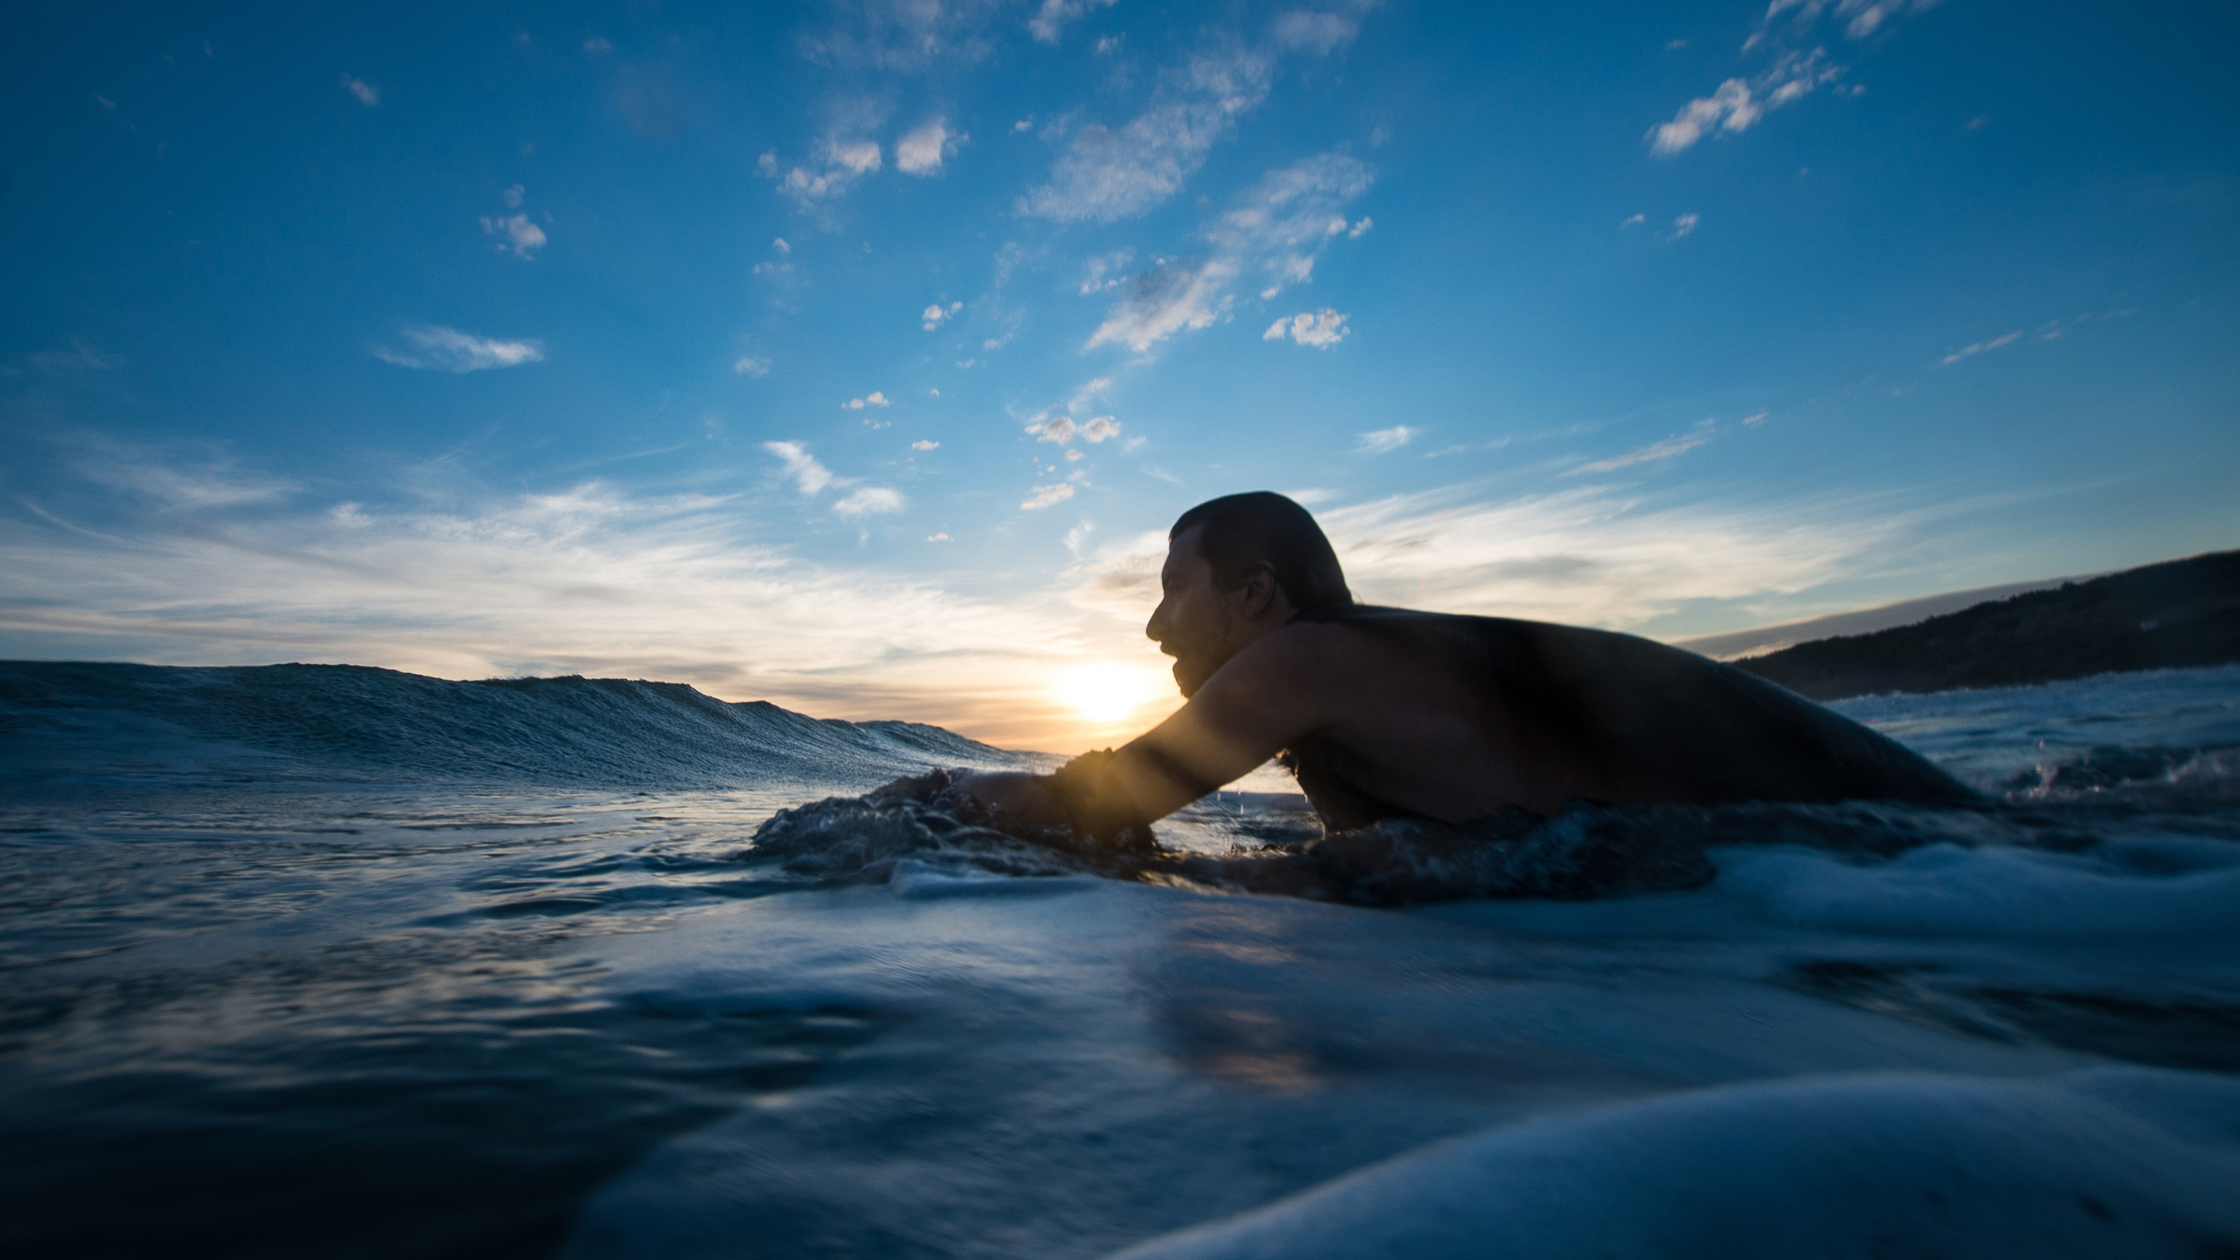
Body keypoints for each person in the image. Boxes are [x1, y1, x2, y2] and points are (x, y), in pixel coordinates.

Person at [940, 491, 1972, 845]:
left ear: (1254, 593)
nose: (1156, 627)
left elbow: (1103, 801)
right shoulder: (1363, 675)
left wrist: (924, 802)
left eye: (1173, 588)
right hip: (1852, 832)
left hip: (1844, 834)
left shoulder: (1306, 656)